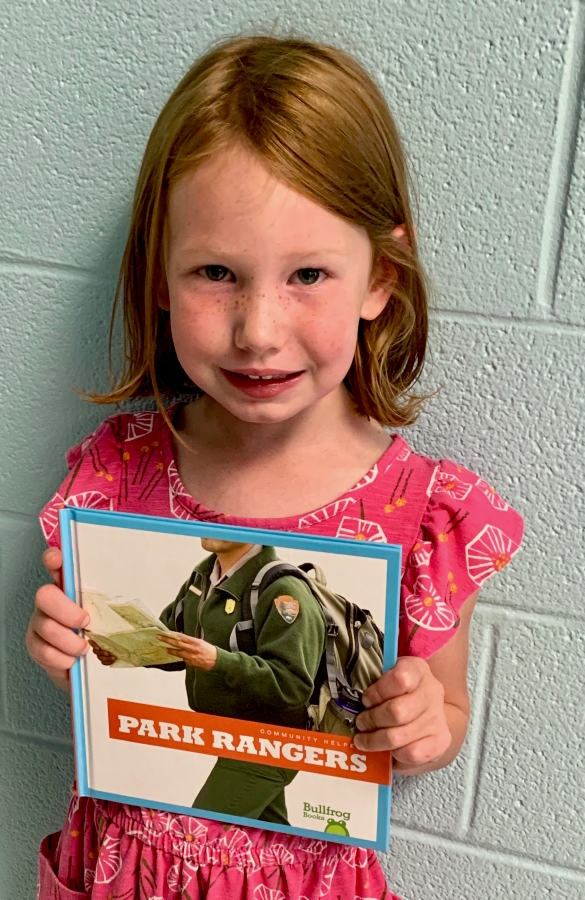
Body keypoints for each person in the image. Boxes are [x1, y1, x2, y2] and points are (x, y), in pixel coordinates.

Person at [26, 34, 524, 900]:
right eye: (216, 272)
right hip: (124, 871)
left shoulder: (423, 512)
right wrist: (63, 644)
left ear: (382, 280)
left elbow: (444, 716)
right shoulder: (118, 475)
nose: (258, 330)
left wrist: (419, 725)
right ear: (158, 273)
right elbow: (120, 665)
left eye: (308, 275)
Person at [91, 538, 327, 824]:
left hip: (270, 742)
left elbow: (293, 685)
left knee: (199, 835)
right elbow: (175, 647)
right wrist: (125, 651)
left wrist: (218, 660)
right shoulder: (201, 579)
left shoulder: (284, 591)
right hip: (234, 737)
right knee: (268, 840)